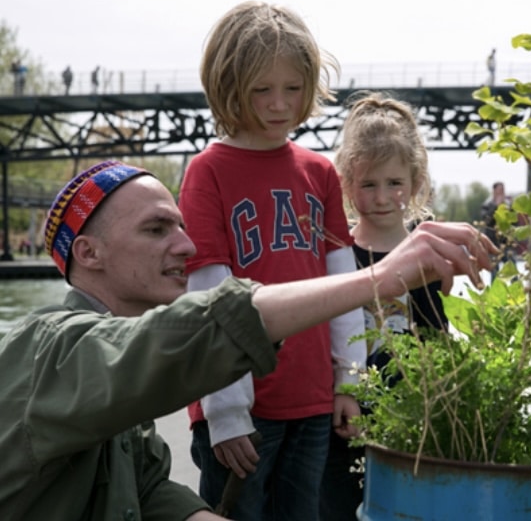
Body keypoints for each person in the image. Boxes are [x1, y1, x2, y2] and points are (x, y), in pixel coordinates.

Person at [0, 159, 497, 519]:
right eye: (156, 229)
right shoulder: (50, 349)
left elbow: (150, 493)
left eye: (181, 225)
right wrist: (377, 279)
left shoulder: (115, 384)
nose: (187, 245)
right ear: (88, 253)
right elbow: (188, 334)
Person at [177, 1, 366, 520]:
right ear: (228, 85)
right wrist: (226, 412)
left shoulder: (320, 173)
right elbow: (209, 298)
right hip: (241, 409)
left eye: (293, 88)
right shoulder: (207, 172)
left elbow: (342, 286)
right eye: (262, 89)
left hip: (311, 400)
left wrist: (351, 382)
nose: (280, 104)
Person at [319, 92, 449, 520]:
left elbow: (435, 335)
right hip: (348, 417)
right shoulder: (339, 253)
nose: (381, 196)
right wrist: (348, 393)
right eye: (368, 184)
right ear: (347, 183)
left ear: (415, 182)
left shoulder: (424, 252)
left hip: (411, 415)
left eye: (394, 183)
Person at [480, 181, 515, 280]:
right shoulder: (487, 205)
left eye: (503, 190)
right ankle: (495, 293)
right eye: (499, 190)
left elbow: (514, 222)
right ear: (494, 191)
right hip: (492, 243)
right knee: (494, 271)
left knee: (512, 267)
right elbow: (486, 220)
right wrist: (495, 206)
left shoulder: (508, 205)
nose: (502, 193)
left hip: (505, 243)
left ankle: (516, 291)